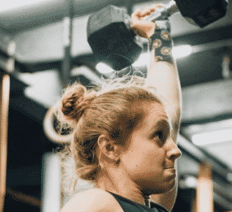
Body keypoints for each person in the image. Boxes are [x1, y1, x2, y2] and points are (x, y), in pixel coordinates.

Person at [60, 4, 182, 212]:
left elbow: (173, 114)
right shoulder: (96, 203)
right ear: (110, 148)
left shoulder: (153, 208)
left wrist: (157, 32)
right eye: (159, 136)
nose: (175, 150)